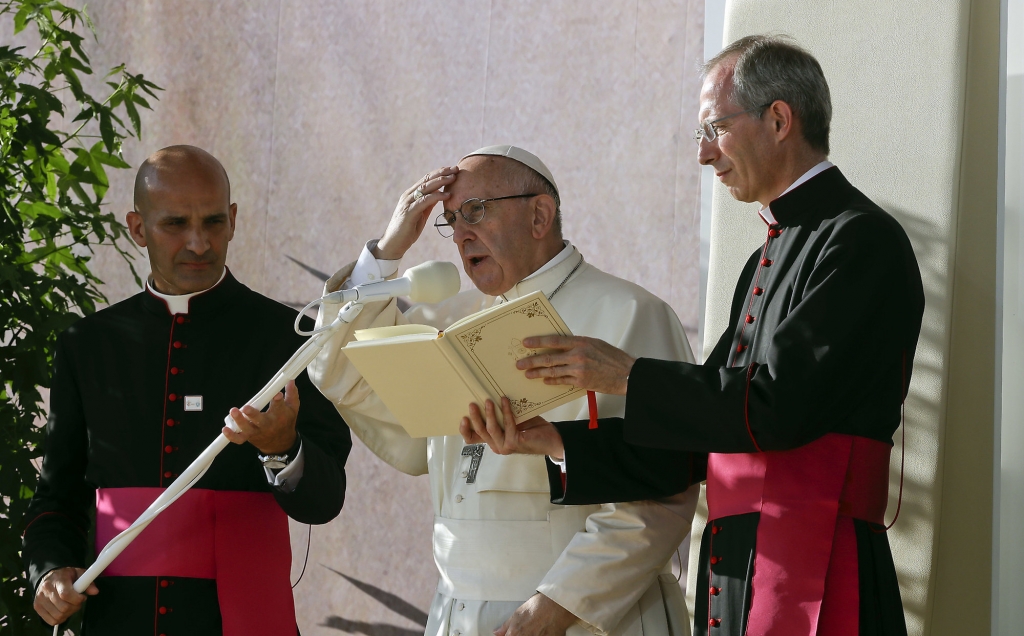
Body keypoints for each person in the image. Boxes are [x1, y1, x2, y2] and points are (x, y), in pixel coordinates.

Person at [462, 37, 925, 636]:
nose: (704, 155)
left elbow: (777, 407)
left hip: (819, 556)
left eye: (715, 128)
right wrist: (554, 440)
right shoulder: (767, 253)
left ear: (779, 119)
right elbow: (701, 433)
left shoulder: (861, 240)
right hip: (741, 569)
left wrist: (625, 375)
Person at [309, 145, 701, 636]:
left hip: (590, 615)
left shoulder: (630, 312)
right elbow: (339, 373)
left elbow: (660, 495)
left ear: (540, 215)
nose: (460, 234)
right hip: (459, 612)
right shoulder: (447, 320)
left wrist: (553, 609)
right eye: (450, 220)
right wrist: (384, 254)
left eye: (476, 211)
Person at [23, 145, 352, 635]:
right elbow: (57, 496)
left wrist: (284, 449)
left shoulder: (289, 339)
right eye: (175, 224)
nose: (199, 243)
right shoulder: (89, 345)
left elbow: (324, 501)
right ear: (137, 229)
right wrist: (48, 570)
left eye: (214, 222)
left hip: (238, 617)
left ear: (234, 219)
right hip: (121, 619)